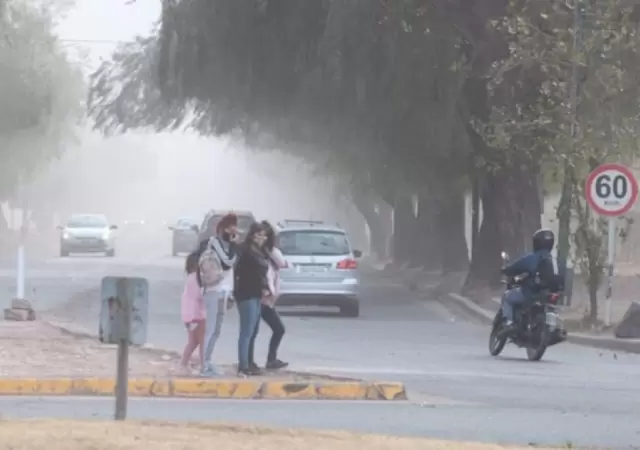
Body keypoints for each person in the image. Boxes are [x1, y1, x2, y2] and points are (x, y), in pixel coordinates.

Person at [199, 213, 239, 376]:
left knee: (217, 330)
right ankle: (204, 365)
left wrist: (231, 293)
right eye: (232, 226)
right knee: (210, 330)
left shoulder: (230, 245)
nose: (235, 229)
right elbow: (227, 262)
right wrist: (235, 246)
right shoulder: (214, 243)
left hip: (224, 290)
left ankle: (208, 361)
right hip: (213, 290)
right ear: (224, 228)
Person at [500, 228, 560, 332]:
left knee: (507, 297)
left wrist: (506, 270)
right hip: (550, 294)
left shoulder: (535, 257)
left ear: (536, 242)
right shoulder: (553, 259)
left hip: (532, 293)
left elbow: (517, 266)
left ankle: (509, 323)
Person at [248, 220, 288, 371]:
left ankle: (269, 360)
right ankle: (249, 362)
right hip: (262, 297)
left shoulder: (265, 252)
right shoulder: (267, 252)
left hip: (267, 298)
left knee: (270, 329)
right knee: (257, 330)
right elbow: (282, 262)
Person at [233, 222, 270, 376]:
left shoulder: (260, 251)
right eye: (259, 234)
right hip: (245, 293)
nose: (262, 238)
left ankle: (250, 361)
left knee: (254, 330)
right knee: (246, 331)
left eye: (264, 235)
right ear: (253, 234)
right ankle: (243, 365)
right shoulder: (245, 250)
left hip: (256, 293)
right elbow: (236, 270)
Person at [180, 249, 206, 373]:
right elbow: (200, 296)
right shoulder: (197, 278)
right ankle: (205, 366)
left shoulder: (190, 278)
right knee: (203, 342)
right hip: (199, 315)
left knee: (193, 342)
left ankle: (183, 364)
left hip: (190, 316)